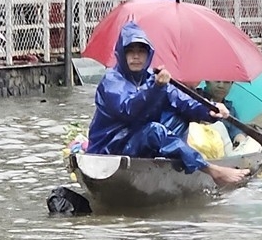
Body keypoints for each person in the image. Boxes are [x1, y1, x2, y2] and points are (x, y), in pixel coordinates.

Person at [86, 21, 250, 187]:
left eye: (141, 51)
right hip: (110, 146)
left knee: (180, 116)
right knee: (155, 131)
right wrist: (156, 87)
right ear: (121, 54)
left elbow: (185, 102)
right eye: (130, 51)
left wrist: (211, 110)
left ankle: (175, 164)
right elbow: (129, 110)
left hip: (137, 140)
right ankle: (211, 170)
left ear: (148, 54)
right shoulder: (111, 81)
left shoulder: (153, 77)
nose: (136, 56)